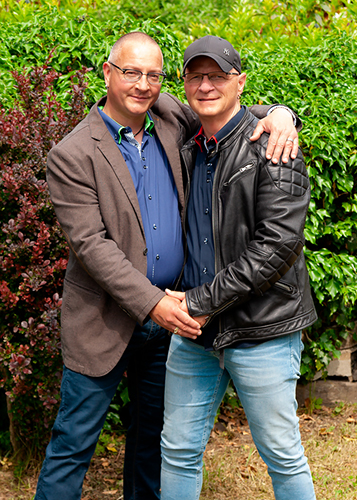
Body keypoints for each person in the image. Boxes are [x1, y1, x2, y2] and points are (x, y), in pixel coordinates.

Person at [34, 32, 302, 500]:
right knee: (72, 444)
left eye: (153, 75)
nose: (142, 84)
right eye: (131, 72)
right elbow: (92, 246)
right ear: (107, 72)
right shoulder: (72, 154)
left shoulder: (170, 117)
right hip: (106, 319)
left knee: (154, 447)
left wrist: (281, 115)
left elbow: (227, 110)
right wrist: (154, 303)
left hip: (175, 321)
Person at [161, 35, 317, 500]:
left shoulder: (272, 146)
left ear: (240, 82)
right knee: (177, 451)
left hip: (261, 330)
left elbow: (278, 245)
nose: (206, 85)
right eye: (196, 75)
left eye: (218, 75)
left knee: (282, 455)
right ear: (185, 83)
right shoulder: (190, 147)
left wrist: (200, 302)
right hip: (195, 334)